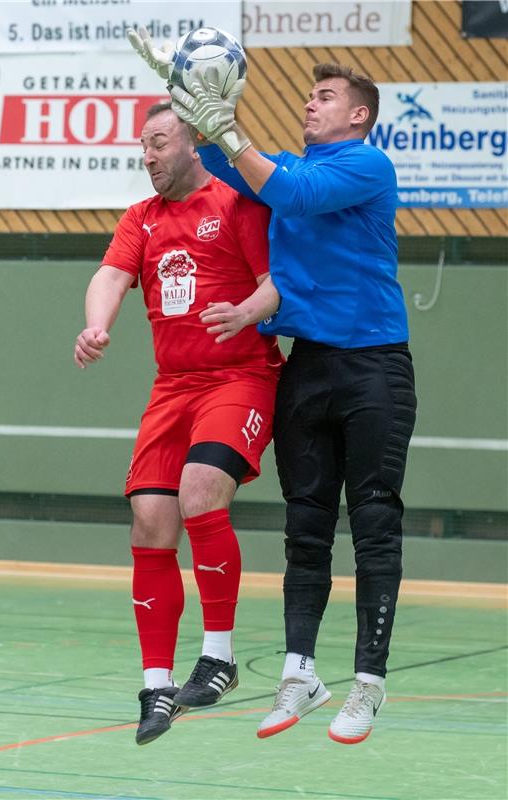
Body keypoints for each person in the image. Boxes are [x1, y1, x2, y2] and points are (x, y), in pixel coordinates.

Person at [128, 30, 417, 745]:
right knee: (306, 528)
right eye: (310, 97)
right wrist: (188, 98)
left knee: (373, 525)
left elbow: (288, 189)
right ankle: (300, 675)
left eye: (324, 97)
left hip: (375, 365)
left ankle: (368, 686)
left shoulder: (366, 167)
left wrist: (228, 128)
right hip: (308, 366)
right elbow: (236, 169)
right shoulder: (285, 168)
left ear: (358, 115)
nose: (310, 105)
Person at [74, 101, 283, 746]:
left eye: (159, 142)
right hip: (174, 388)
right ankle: (157, 684)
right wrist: (97, 324)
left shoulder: (236, 205)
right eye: (143, 145)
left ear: (194, 142)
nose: (149, 155)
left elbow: (279, 286)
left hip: (240, 376)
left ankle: (217, 658)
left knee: (198, 492)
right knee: (150, 519)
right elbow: (110, 274)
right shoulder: (142, 218)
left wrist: (246, 312)